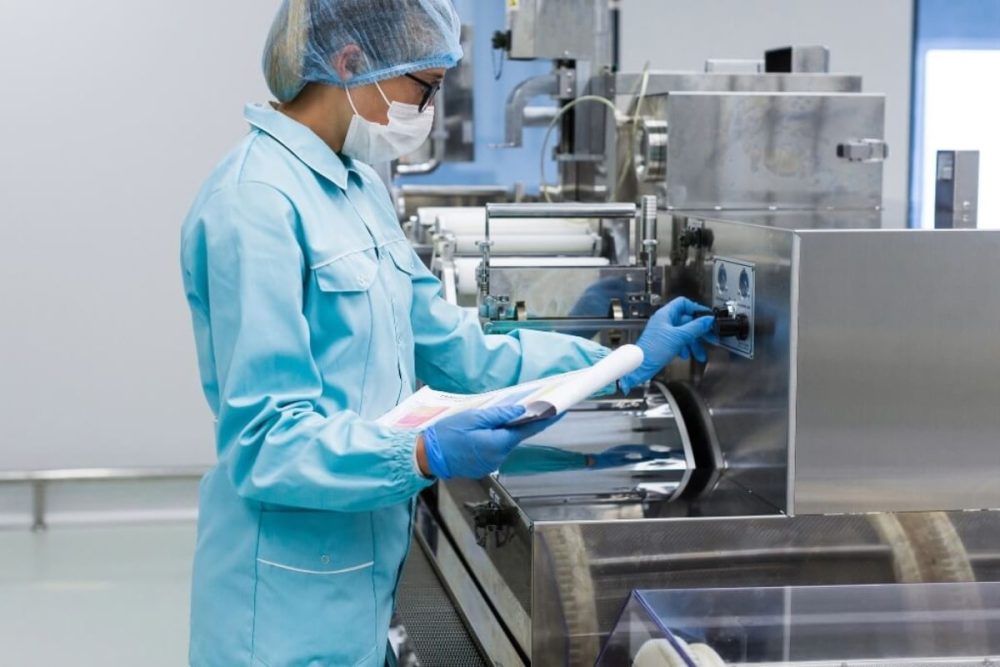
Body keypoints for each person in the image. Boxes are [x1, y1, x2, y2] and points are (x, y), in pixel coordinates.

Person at [179, 1, 715, 664]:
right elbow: (267, 441)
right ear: (350, 64)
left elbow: (459, 351)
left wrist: (622, 362)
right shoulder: (254, 203)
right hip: (279, 612)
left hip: (356, 591)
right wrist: (421, 454)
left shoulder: (357, 191)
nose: (428, 110)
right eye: (424, 87)